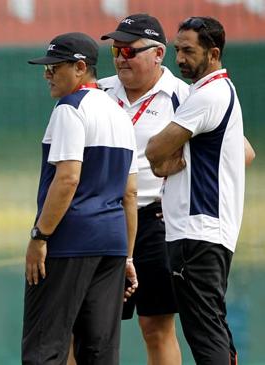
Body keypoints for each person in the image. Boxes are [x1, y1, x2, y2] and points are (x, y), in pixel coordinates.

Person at [22, 32, 138, 365]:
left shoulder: (69, 109)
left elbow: (68, 177)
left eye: (54, 68)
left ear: (79, 67)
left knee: (45, 347)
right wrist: (127, 255)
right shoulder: (120, 114)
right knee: (99, 351)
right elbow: (129, 193)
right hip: (112, 243)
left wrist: (39, 236)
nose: (47, 75)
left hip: (69, 240)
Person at [146, 16, 246, 365]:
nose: (180, 58)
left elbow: (154, 150)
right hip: (204, 232)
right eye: (177, 50)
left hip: (197, 231)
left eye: (188, 51)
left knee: (205, 336)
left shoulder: (209, 95)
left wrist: (164, 164)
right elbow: (246, 152)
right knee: (211, 330)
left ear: (213, 53)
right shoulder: (215, 92)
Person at [99, 13, 188, 365]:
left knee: (156, 325)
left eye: (130, 50)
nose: (121, 57)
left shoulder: (185, 96)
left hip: (156, 220)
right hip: (104, 218)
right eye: (116, 50)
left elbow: (236, 152)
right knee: (90, 325)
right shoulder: (98, 92)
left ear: (158, 54)